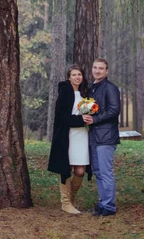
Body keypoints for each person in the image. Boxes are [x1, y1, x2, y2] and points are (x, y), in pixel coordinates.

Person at [48, 65, 92, 214]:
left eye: (79, 74)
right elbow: (61, 115)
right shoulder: (65, 92)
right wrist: (80, 120)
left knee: (80, 171)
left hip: (82, 136)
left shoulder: (85, 92)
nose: (77, 77)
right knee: (66, 169)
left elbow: (87, 111)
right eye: (74, 75)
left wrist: (90, 115)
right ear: (69, 77)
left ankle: (71, 199)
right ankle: (65, 203)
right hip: (67, 136)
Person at [83, 58, 121, 217]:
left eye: (101, 68)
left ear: (106, 71)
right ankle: (103, 203)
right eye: (95, 68)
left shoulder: (110, 88)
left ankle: (109, 207)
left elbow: (114, 110)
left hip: (106, 137)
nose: (97, 71)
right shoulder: (91, 88)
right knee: (98, 171)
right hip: (94, 136)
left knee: (105, 172)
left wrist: (95, 119)